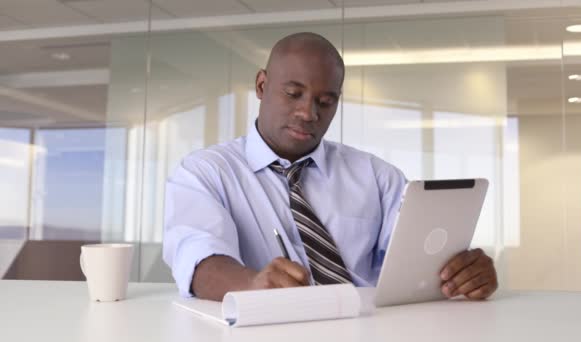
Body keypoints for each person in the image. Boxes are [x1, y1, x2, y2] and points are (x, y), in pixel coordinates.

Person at [163, 32, 498, 302]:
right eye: (293, 94)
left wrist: (466, 273)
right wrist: (251, 284)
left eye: (326, 102)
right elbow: (199, 258)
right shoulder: (206, 173)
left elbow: (419, 263)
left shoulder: (376, 176)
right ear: (262, 86)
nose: (308, 113)